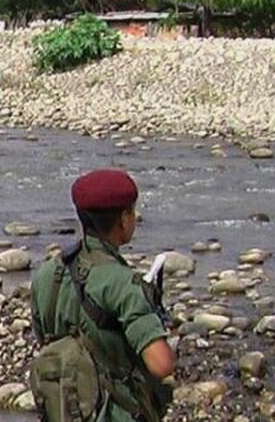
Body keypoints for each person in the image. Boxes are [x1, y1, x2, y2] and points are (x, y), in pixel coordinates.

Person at [30, 169, 175, 422]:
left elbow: (45, 338)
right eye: (132, 212)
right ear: (123, 219)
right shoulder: (121, 282)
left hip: (62, 410)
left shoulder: (46, 274)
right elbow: (161, 365)